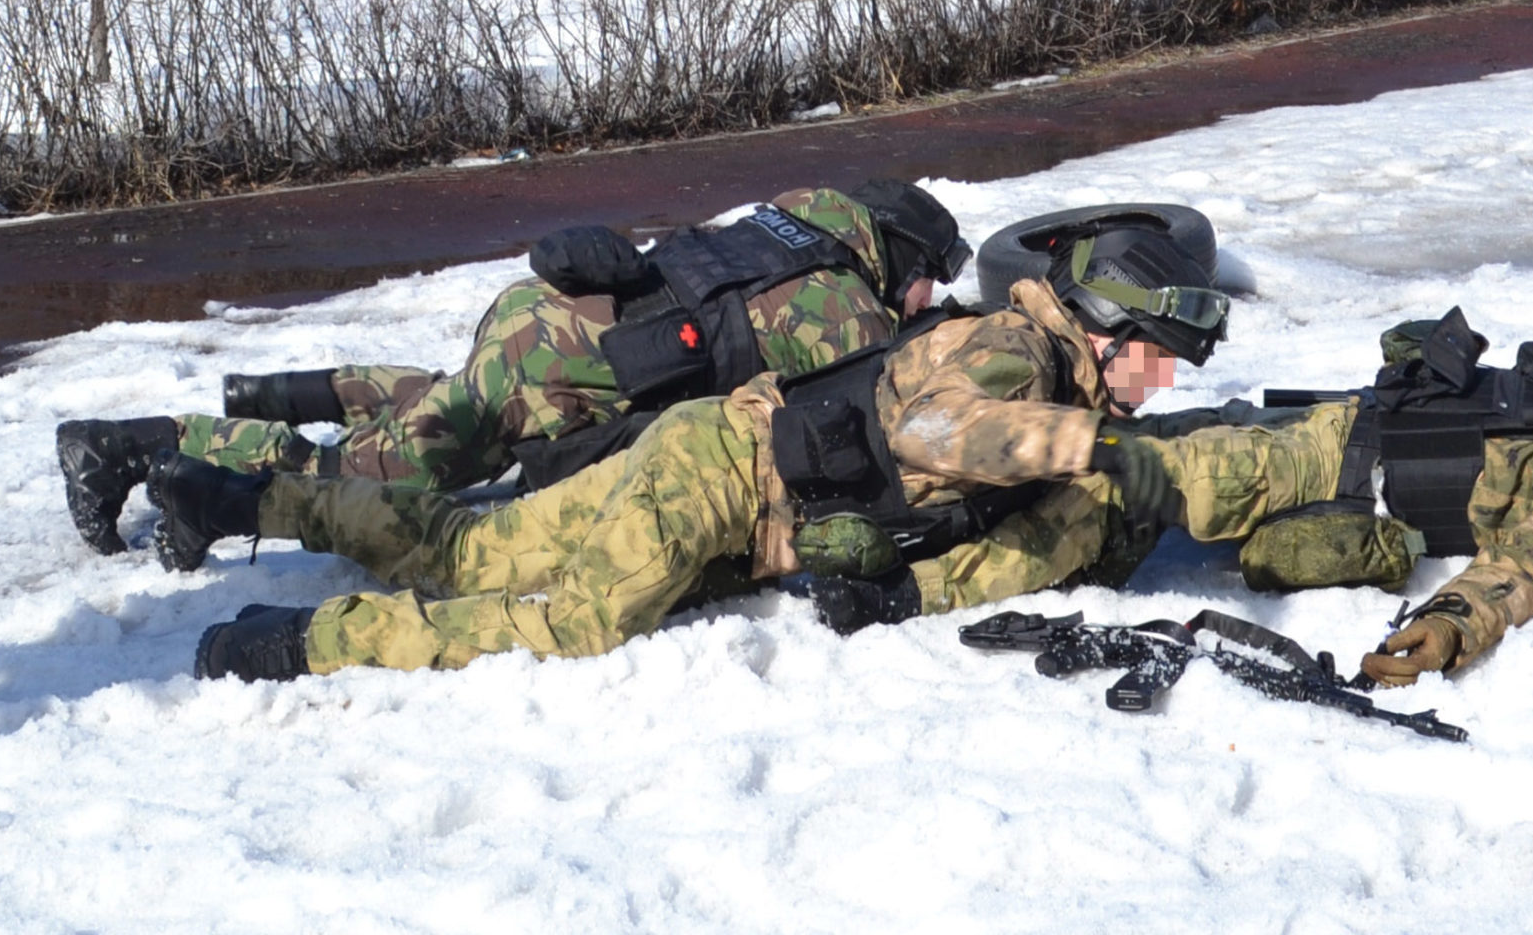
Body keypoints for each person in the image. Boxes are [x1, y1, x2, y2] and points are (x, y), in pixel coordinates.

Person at [153, 213, 1234, 679]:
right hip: (720, 478)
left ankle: (239, 498)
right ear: (1104, 327)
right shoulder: (1010, 355)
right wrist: (1089, 448)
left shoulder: (1039, 367)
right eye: (1158, 354)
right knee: (580, 624)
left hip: (714, 456)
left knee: (470, 553)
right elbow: (930, 429)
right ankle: (299, 644)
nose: (1168, 380)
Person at [827, 306, 1533, 686]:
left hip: (1331, 468)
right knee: (1125, 445)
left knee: (1114, 482)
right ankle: (912, 492)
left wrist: (1445, 631)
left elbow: (1520, 572)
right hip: (1330, 428)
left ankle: (897, 585)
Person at [55, 181, 968, 558]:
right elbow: (865, 402)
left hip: (548, 316)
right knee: (372, 475)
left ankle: (269, 399)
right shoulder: (850, 307)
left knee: (449, 403)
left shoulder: (797, 218)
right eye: (928, 280)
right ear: (899, 256)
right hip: (560, 373)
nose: (925, 300)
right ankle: (148, 449)